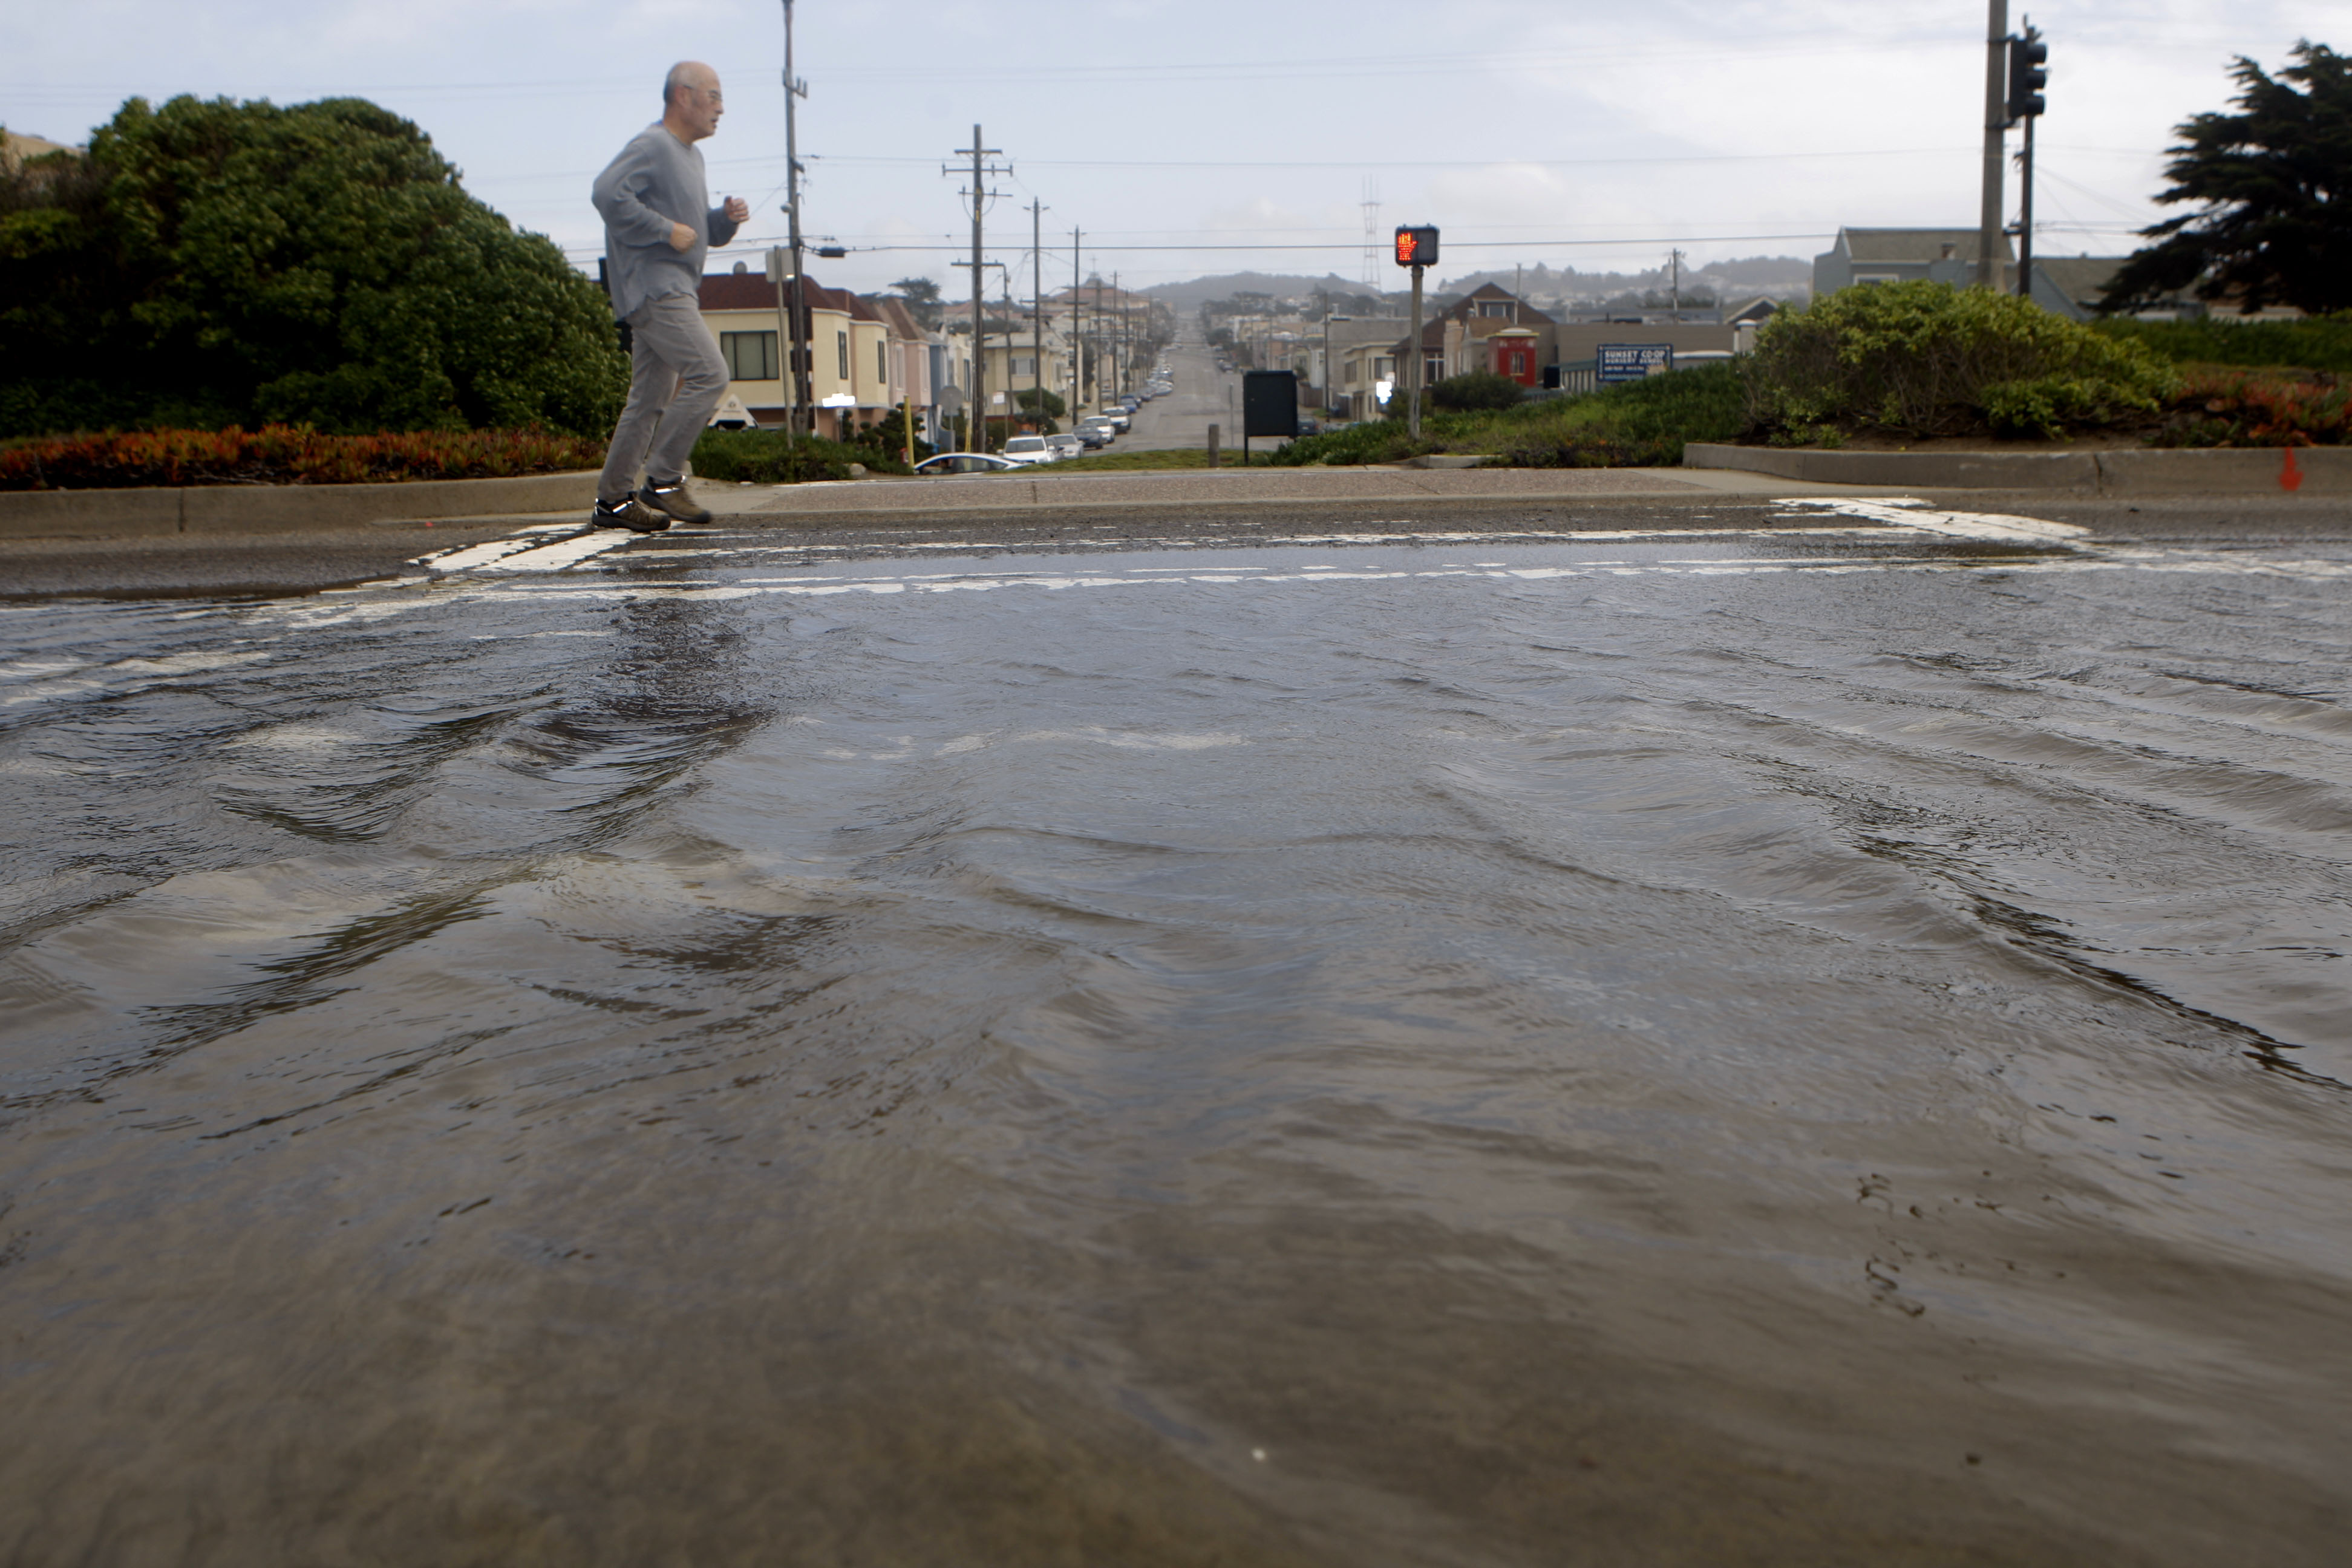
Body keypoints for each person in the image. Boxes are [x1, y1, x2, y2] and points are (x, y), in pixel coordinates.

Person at [589, 61, 751, 532]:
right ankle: (662, 480)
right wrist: (663, 229)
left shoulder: (690, 156)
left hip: (674, 287)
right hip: (656, 289)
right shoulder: (653, 144)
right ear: (684, 96)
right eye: (714, 96)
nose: (721, 108)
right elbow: (605, 194)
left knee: (648, 400)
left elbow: (695, 234)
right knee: (709, 372)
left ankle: (613, 501)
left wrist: (723, 221)